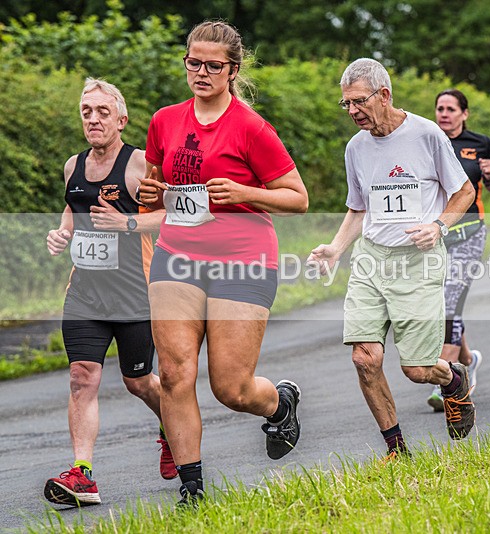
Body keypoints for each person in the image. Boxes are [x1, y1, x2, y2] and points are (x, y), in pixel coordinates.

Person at [138, 21, 308, 505]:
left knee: (230, 388)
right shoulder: (164, 120)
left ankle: (279, 404)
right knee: (173, 373)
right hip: (178, 256)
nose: (202, 72)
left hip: (243, 258)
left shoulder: (252, 128)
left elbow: (298, 198)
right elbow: (156, 190)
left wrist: (243, 192)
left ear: (232, 70)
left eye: (214, 65)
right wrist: (151, 196)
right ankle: (193, 486)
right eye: (194, 62)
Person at [307, 58, 477, 460]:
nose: (351, 111)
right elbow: (358, 208)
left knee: (417, 369)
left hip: (418, 261)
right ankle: (396, 450)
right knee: (364, 359)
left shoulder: (427, 134)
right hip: (370, 261)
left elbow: (464, 192)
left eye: (358, 102)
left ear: (384, 95)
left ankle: (453, 379)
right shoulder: (356, 148)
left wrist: (438, 225)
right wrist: (336, 247)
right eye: (345, 104)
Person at [44, 78, 176, 507]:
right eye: (87, 111)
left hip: (135, 294)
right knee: (82, 376)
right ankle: (82, 475)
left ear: (121, 119)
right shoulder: (72, 165)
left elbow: (174, 215)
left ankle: (173, 431)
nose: (93, 119)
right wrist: (62, 233)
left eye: (102, 111)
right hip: (85, 293)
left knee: (139, 381)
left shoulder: (140, 165)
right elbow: (72, 207)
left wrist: (129, 223)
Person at [426, 89, 490, 412]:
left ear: (464, 114)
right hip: (436, 235)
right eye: (439, 108)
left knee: (449, 300)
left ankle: (444, 379)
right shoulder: (427, 141)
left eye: (450, 109)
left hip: (470, 233)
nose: (444, 114)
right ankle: (468, 360)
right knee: (445, 301)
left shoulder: (481, 144)